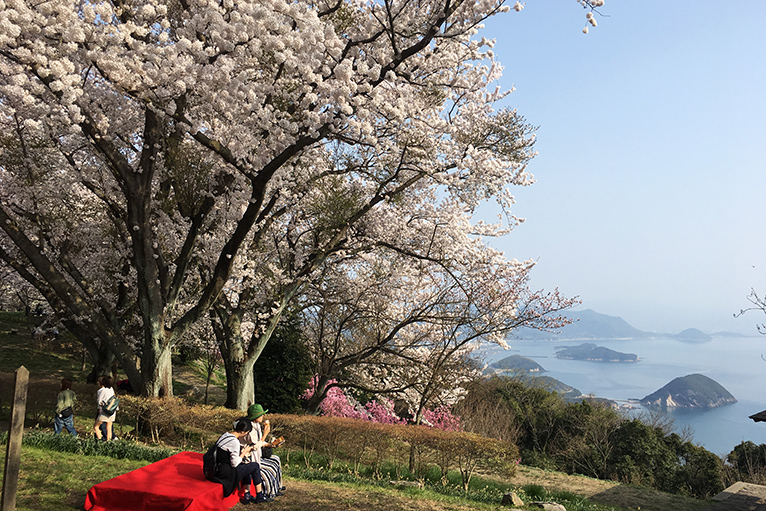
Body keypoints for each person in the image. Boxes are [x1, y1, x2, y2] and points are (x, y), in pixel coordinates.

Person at [207, 418, 272, 504]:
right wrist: (244, 452)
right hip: (224, 472)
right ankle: (259, 495)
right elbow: (234, 464)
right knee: (255, 466)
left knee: (247, 465)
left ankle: (247, 495)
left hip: (216, 466)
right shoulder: (234, 442)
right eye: (247, 433)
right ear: (243, 432)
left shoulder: (226, 435)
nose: (247, 435)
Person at [242, 404, 284, 498]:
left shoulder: (257, 425)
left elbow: (261, 442)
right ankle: (268, 492)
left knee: (276, 459)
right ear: (255, 416)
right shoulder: (248, 429)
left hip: (257, 455)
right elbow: (255, 446)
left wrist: (272, 445)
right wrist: (265, 434)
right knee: (268, 471)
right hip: (249, 457)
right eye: (261, 415)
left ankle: (278, 487)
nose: (263, 417)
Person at [93, 375, 117, 440]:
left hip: (104, 411)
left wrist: (99, 410)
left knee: (96, 427)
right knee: (109, 428)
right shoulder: (111, 389)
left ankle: (101, 441)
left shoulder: (101, 391)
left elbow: (99, 402)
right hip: (112, 411)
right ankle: (108, 442)